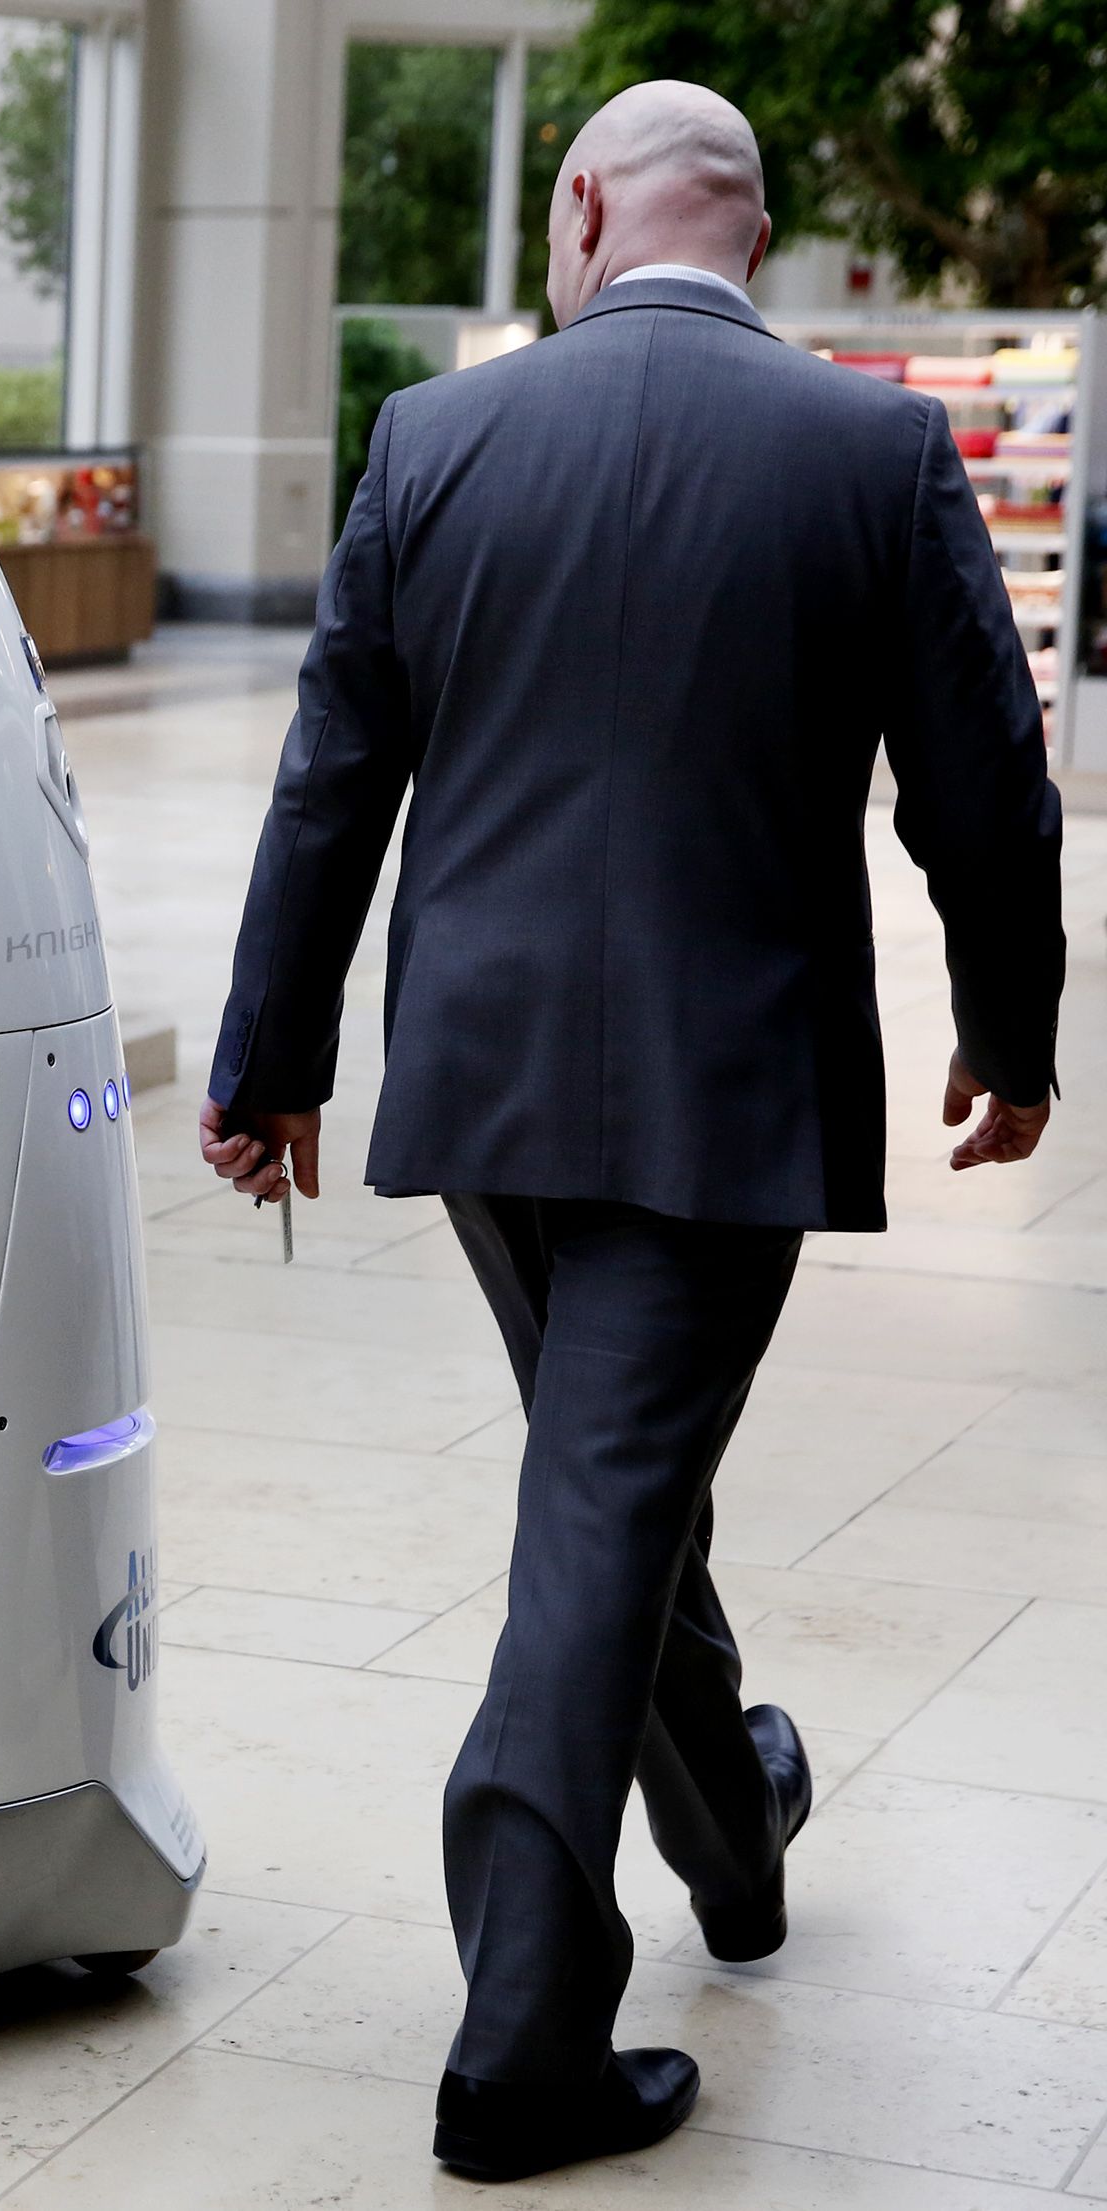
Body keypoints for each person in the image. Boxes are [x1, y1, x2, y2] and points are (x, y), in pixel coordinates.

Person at [198, 80, 1062, 2184]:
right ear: (749, 232)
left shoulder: (439, 438)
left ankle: (734, 1826)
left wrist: (269, 1058)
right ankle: (519, 2038)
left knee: (613, 1475)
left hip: (485, 1089)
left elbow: (333, 775)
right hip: (723, 1089)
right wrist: (1008, 1028)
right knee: (610, 1488)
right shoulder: (871, 450)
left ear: (579, 207)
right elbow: (983, 780)